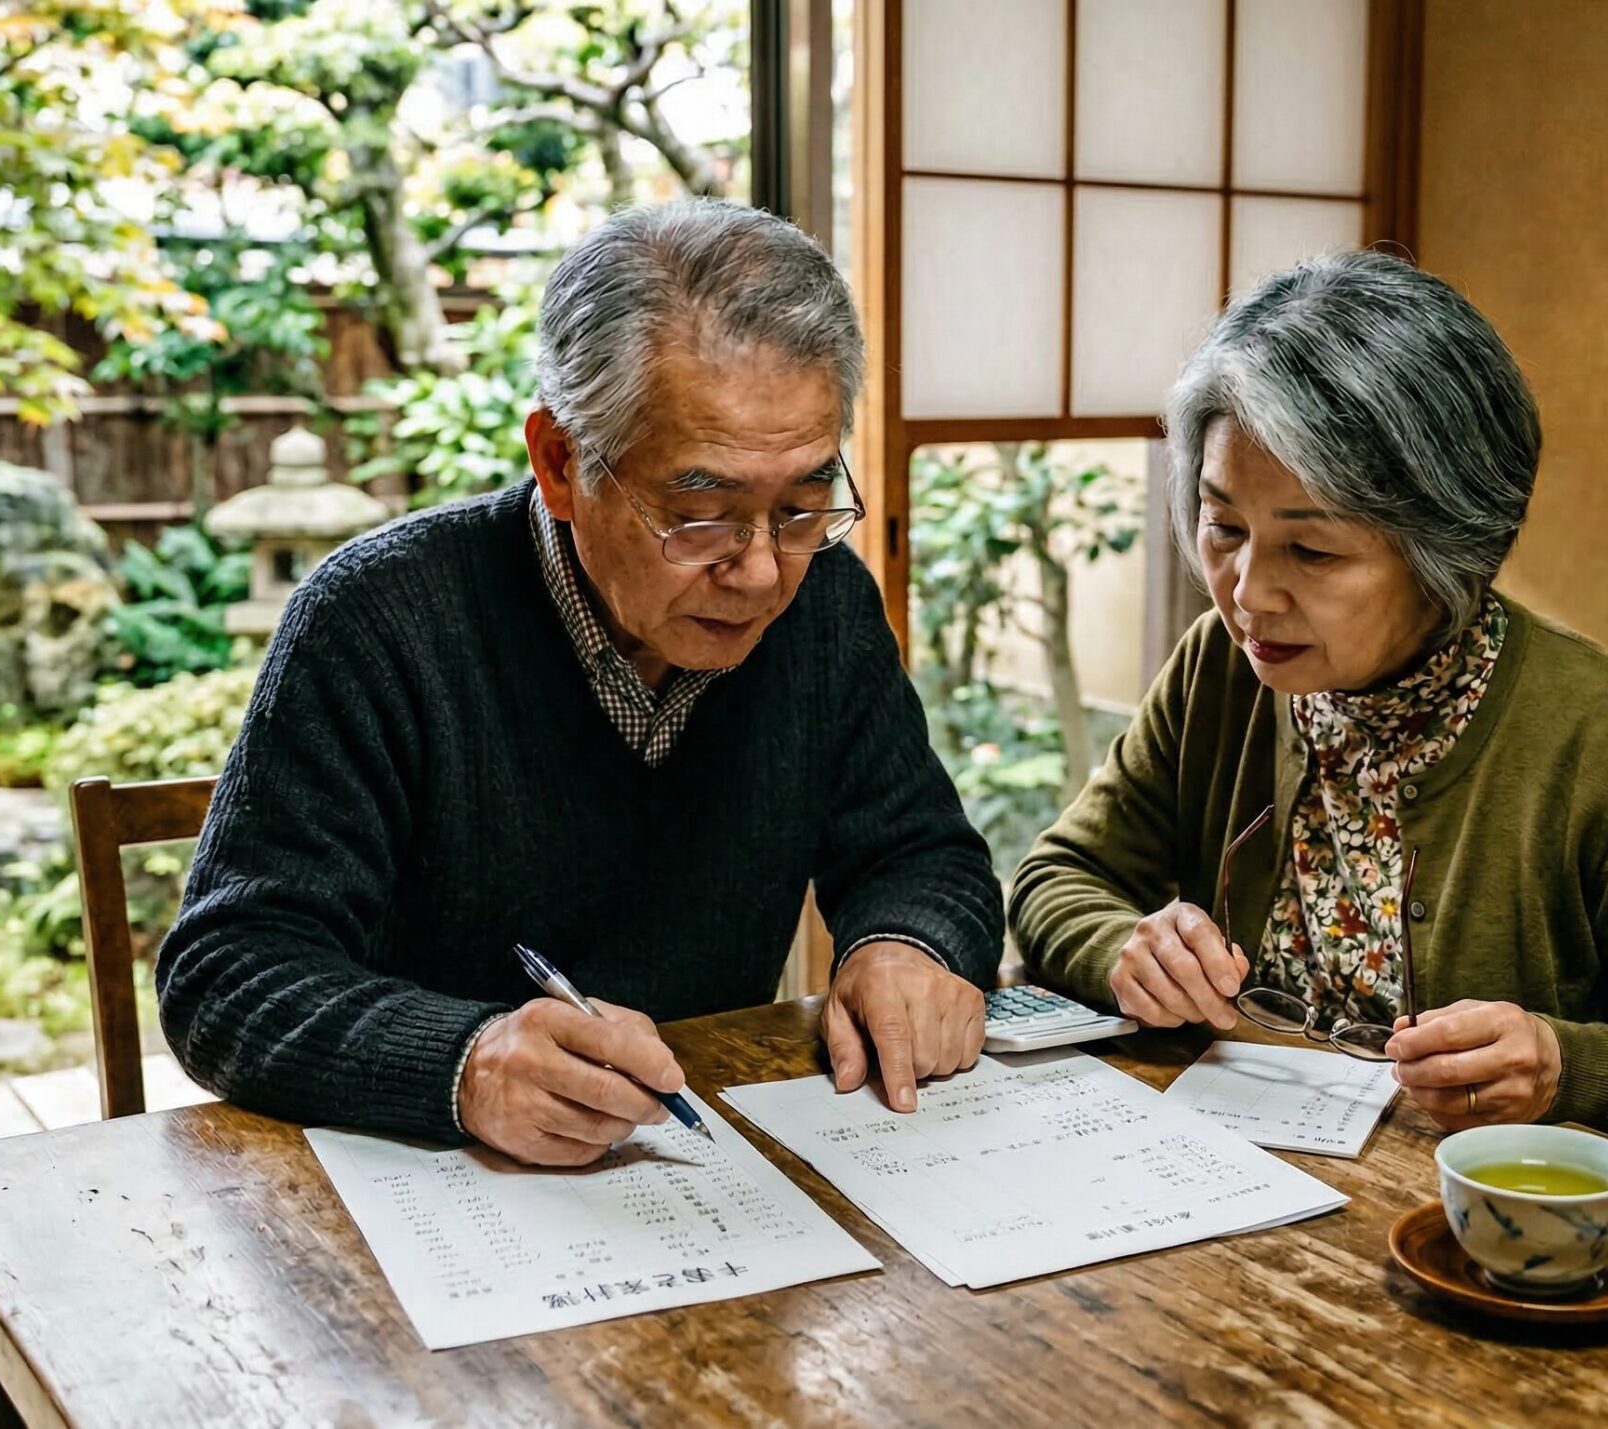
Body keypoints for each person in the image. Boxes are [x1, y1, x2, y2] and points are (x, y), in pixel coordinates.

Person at [156, 199, 1001, 1166]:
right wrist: (464, 1061)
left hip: (715, 1176)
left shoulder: (825, 605)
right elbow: (227, 971)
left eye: (806, 504)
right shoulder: (380, 619)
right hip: (433, 1196)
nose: (764, 571)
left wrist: (906, 947)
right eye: (703, 512)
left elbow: (923, 851)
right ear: (561, 462)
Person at [1009, 251, 1608, 1179]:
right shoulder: (1220, 673)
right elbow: (1057, 875)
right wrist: (1123, 946)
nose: (1248, 593)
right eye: (1224, 527)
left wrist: (1563, 1065)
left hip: (1517, 1247)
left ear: (1443, 548)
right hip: (1259, 1197)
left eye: (1311, 550)